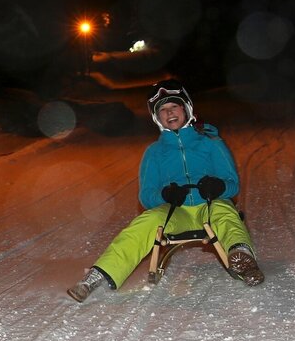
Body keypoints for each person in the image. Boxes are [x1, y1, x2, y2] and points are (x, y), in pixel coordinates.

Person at [68, 79, 264, 302]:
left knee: (225, 212)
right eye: (162, 110)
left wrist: (219, 186)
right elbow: (146, 195)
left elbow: (232, 183)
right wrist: (165, 195)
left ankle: (243, 259)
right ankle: (98, 275)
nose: (169, 113)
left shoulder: (211, 142)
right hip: (176, 212)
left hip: (209, 205)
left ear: (187, 108)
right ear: (156, 118)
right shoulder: (154, 152)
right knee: (147, 220)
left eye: (174, 106)